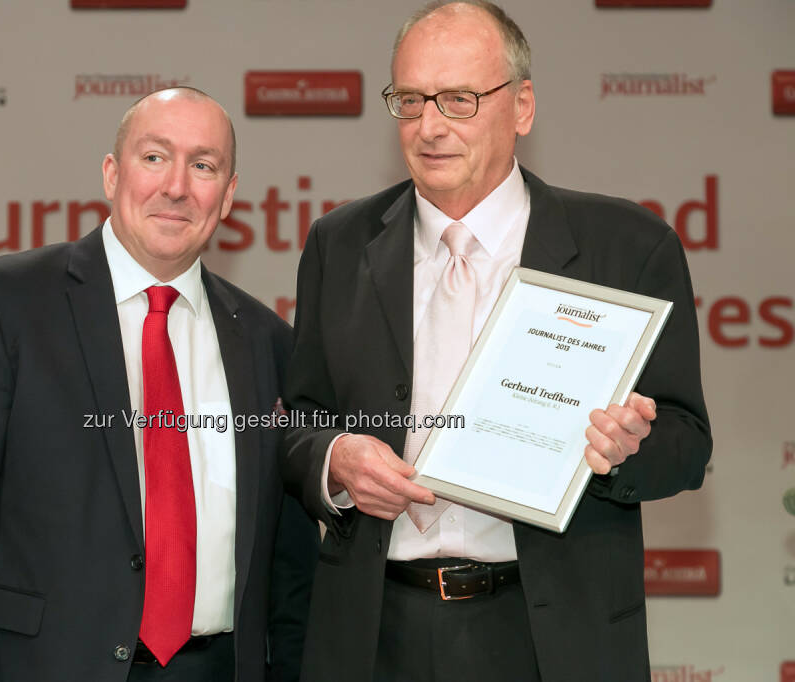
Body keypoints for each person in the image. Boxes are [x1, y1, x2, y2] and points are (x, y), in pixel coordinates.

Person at [281, 3, 711, 681]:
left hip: (551, 636)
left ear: (522, 106)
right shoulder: (339, 244)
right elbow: (297, 421)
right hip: (374, 633)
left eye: (458, 99)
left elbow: (687, 445)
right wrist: (335, 460)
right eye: (411, 100)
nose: (429, 127)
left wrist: (628, 449)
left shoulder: (626, 246)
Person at [0, 87, 318, 682]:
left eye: (203, 165)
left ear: (227, 197)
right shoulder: (3, 304)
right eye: (154, 157)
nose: (176, 185)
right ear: (111, 173)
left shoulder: (270, 343)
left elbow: (291, 567)